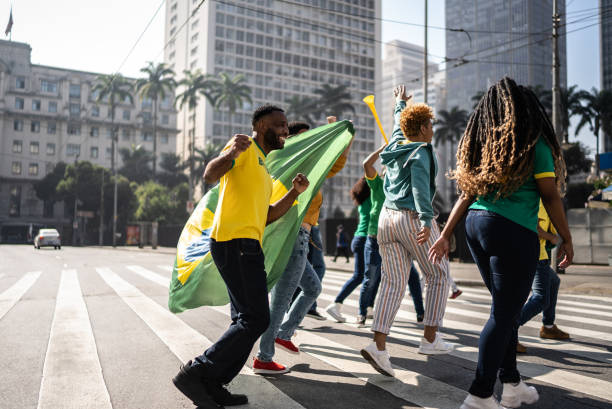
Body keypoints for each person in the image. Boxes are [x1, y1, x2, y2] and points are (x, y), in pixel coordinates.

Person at [428, 77, 573, 409]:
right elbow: (551, 196)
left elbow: (466, 195)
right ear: (528, 113)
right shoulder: (535, 147)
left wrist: (446, 233)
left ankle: (511, 383)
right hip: (511, 231)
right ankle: (479, 394)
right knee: (503, 314)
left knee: (504, 312)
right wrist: (566, 238)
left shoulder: (487, 149)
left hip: (477, 226)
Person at [172, 105, 310, 408]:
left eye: (286, 125)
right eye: (279, 125)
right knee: (256, 318)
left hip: (248, 244)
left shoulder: (264, 165)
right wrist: (230, 153)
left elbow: (268, 215)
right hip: (234, 243)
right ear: (260, 125)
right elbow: (210, 174)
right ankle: (198, 371)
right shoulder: (244, 149)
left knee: (244, 320)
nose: (285, 130)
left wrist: (294, 192)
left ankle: (212, 383)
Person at [360, 84, 453, 379]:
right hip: (412, 217)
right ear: (424, 128)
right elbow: (420, 188)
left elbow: (398, 124)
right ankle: (429, 339)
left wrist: (400, 103)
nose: (433, 129)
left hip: (386, 220)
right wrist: (428, 222)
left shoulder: (399, 141)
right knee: (438, 275)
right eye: (431, 125)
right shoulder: (422, 152)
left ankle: (379, 346)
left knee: (392, 282)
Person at [253, 118, 352, 374]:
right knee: (281, 299)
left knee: (312, 287)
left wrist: (343, 135)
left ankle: (284, 333)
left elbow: (337, 162)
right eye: (307, 137)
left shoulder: (313, 168)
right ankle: (264, 357)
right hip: (293, 237)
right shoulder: (291, 167)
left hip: (300, 240)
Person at [516, 201, 569, 353]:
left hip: (538, 254)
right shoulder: (540, 201)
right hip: (535, 255)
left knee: (554, 281)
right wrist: (552, 238)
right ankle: (508, 329)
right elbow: (533, 227)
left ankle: (548, 327)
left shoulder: (546, 201)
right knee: (540, 299)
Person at [326, 178, 370, 323]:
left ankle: (368, 307)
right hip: (364, 239)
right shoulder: (371, 199)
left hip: (359, 238)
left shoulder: (362, 200)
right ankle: (337, 304)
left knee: (365, 276)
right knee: (360, 276)